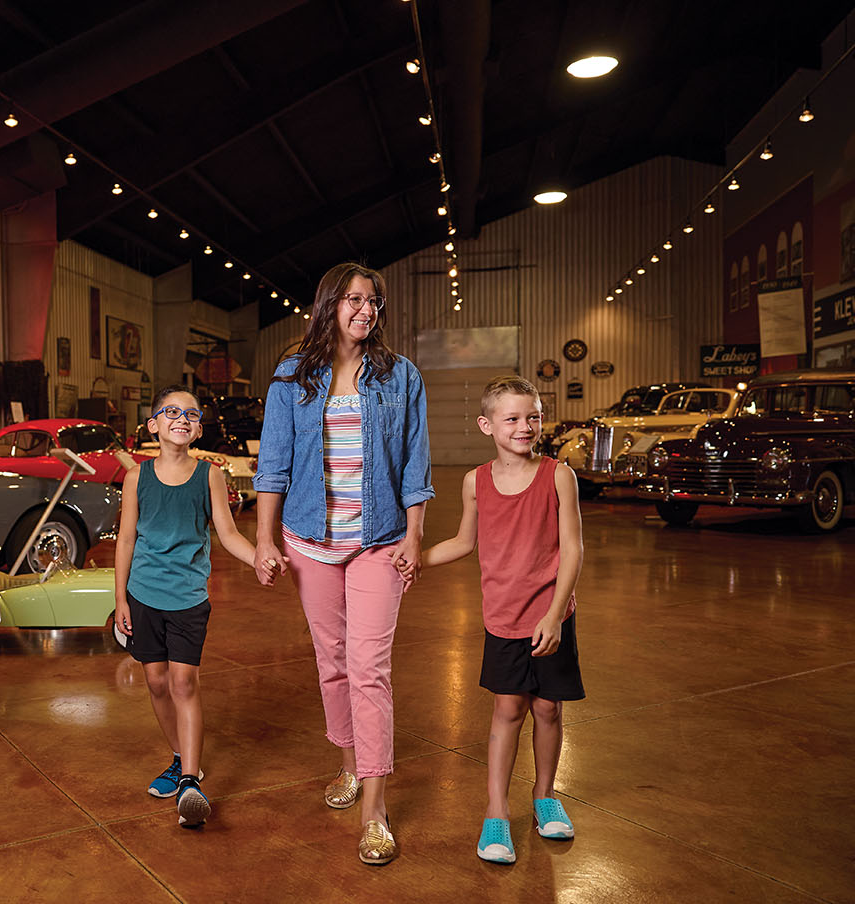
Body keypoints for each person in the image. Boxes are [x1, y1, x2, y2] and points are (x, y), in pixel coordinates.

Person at [252, 261, 433, 865]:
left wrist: (413, 536)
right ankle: (350, 765)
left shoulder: (400, 375)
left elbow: (415, 465)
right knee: (331, 662)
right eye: (352, 299)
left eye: (372, 301)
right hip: (310, 541)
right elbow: (273, 465)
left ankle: (375, 807)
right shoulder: (291, 377)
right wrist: (264, 539)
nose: (363, 310)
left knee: (369, 667)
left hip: (379, 541)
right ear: (328, 304)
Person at [421, 374, 585, 864]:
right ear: (486, 424)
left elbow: (573, 549)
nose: (525, 426)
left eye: (532, 416)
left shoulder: (559, 474)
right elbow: (463, 543)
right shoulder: (475, 481)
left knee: (548, 710)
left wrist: (556, 615)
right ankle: (497, 812)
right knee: (509, 710)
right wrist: (412, 560)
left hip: (552, 616)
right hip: (503, 620)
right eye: (512, 418)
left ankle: (545, 796)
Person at [115, 385, 259, 828]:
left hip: (188, 599)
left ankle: (192, 781)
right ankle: (179, 758)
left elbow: (229, 533)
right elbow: (125, 539)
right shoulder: (136, 477)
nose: (182, 418)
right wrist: (119, 597)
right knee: (156, 681)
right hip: (142, 594)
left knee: (183, 683)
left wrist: (260, 557)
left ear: (198, 429)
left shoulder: (209, 475)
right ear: (153, 424)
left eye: (191, 414)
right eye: (171, 411)